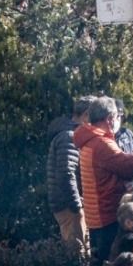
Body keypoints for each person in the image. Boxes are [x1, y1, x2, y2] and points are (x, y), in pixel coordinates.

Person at [76, 97, 133, 266]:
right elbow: (128, 167)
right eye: (117, 116)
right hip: (107, 214)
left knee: (100, 262)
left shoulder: (88, 139)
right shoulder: (102, 144)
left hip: (95, 214)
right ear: (110, 119)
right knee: (112, 265)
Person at [48, 94, 96, 252]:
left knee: (80, 250)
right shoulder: (70, 137)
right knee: (79, 253)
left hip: (70, 203)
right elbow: (66, 173)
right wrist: (77, 206)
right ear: (86, 115)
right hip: (69, 206)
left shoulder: (70, 135)